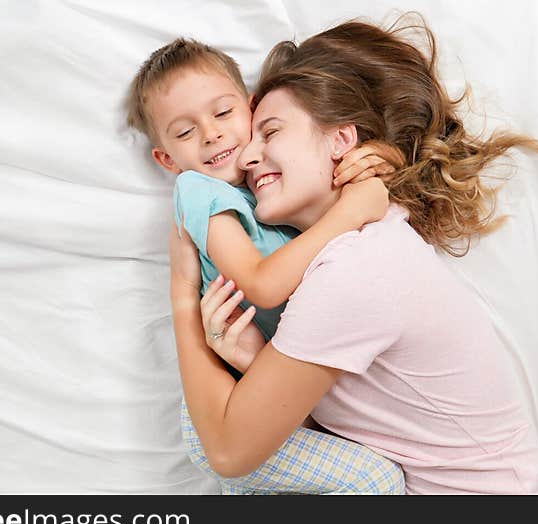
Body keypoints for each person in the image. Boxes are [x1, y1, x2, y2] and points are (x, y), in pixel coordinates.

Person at [169, 16, 538, 494]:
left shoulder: (353, 271)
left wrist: (182, 291)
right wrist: (260, 362)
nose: (246, 157)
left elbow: (227, 451)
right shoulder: (370, 236)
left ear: (342, 140)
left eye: (270, 132)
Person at [126, 38, 406, 494]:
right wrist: (349, 212)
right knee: (375, 481)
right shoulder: (198, 190)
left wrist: (383, 165)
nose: (211, 135)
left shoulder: (267, 180)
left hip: (273, 392)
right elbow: (260, 284)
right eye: (184, 132)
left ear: (250, 109)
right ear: (166, 159)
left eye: (222, 113)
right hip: (226, 407)